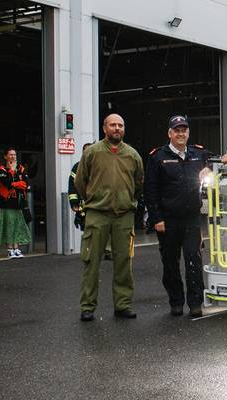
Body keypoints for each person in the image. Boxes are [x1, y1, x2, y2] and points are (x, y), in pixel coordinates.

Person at [74, 113, 144, 322]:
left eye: (120, 125)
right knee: (91, 262)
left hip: (123, 215)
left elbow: (138, 183)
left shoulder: (132, 155)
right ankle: (87, 307)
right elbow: (80, 181)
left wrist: (127, 200)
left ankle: (122, 305)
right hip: (97, 214)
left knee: (123, 262)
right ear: (104, 128)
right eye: (112, 125)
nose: (117, 128)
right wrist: (94, 199)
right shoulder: (92, 153)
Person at [145, 115, 211, 318]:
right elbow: (150, 190)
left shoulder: (199, 154)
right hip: (168, 220)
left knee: (193, 261)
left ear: (188, 132)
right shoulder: (157, 157)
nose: (181, 134)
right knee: (170, 263)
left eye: (184, 130)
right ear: (169, 133)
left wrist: (209, 168)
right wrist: (156, 218)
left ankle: (195, 303)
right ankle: (176, 302)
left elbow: (216, 163)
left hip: (191, 219)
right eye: (177, 130)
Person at [68, 143, 114, 258]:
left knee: (106, 226)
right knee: (87, 229)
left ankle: (108, 251)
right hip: (85, 205)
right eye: (86, 151)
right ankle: (88, 252)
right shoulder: (77, 167)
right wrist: (74, 203)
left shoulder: (101, 165)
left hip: (102, 203)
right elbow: (72, 186)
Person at [0, 147, 32, 258]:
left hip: (19, 203)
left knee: (17, 226)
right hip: (7, 203)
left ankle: (16, 248)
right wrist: (12, 173)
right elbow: (6, 182)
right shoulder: (1, 169)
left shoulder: (21, 168)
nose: (13, 156)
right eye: (10, 154)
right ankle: (10, 249)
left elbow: (25, 184)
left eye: (14, 155)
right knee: (9, 226)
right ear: (5, 156)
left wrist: (15, 184)